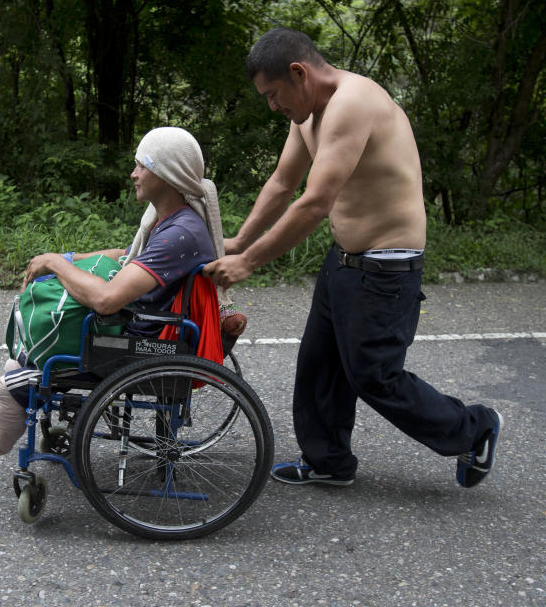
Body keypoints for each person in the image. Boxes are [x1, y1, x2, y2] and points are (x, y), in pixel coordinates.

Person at [204, 27, 502, 488]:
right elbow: (284, 184)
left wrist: (250, 263)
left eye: (273, 94)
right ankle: (329, 462)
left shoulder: (353, 102)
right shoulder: (306, 116)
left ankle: (474, 428)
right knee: (320, 364)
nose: (272, 106)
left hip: (387, 267)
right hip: (344, 259)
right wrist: (242, 240)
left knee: (375, 376)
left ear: (299, 73)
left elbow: (315, 201)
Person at [0, 126, 244, 455]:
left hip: (135, 345)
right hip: (143, 330)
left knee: (12, 380)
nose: (133, 174)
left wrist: (56, 265)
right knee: (23, 358)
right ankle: (25, 376)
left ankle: (12, 420)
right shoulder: (172, 219)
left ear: (166, 174)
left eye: (141, 165)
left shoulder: (178, 234)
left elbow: (106, 300)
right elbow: (128, 257)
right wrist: (69, 259)